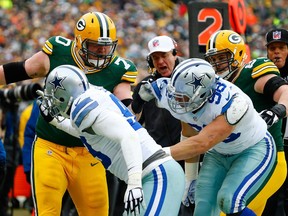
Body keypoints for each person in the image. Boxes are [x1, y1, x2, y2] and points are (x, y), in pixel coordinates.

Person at [0, 11, 138, 215]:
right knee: (48, 212)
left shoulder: (119, 69)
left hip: (89, 151)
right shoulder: (59, 51)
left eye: (106, 46)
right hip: (50, 147)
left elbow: (127, 108)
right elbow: (20, 70)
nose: (101, 51)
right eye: (95, 46)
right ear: (80, 41)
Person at [37, 64, 185, 216]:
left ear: (64, 95)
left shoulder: (84, 109)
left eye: (55, 98)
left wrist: (134, 184)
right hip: (149, 175)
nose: (54, 103)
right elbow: (85, 132)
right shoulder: (90, 99)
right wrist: (55, 121)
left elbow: (129, 136)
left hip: (156, 175)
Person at [139, 58, 277, 215]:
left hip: (252, 149)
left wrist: (155, 156)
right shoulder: (180, 95)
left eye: (182, 96)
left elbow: (201, 143)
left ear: (202, 93)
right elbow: (189, 134)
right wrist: (190, 178)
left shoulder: (232, 103)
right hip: (218, 152)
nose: (176, 100)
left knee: (230, 201)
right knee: (203, 210)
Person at [204, 29, 288, 216]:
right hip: (238, 164)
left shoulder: (251, 73)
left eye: (221, 58)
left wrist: (278, 110)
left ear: (238, 54)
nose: (217, 64)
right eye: (214, 60)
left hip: (269, 161)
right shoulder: (217, 88)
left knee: (227, 209)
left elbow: (285, 92)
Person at [132, 35, 193, 215]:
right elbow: (132, 119)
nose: (160, 61)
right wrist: (138, 99)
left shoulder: (191, 77)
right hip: (160, 158)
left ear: (174, 54)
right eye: (155, 57)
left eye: (164, 56)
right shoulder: (146, 85)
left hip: (191, 156)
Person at [265, 28, 288, 215]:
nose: (276, 52)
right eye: (272, 48)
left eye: (281, 47)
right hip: (270, 144)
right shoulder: (261, 72)